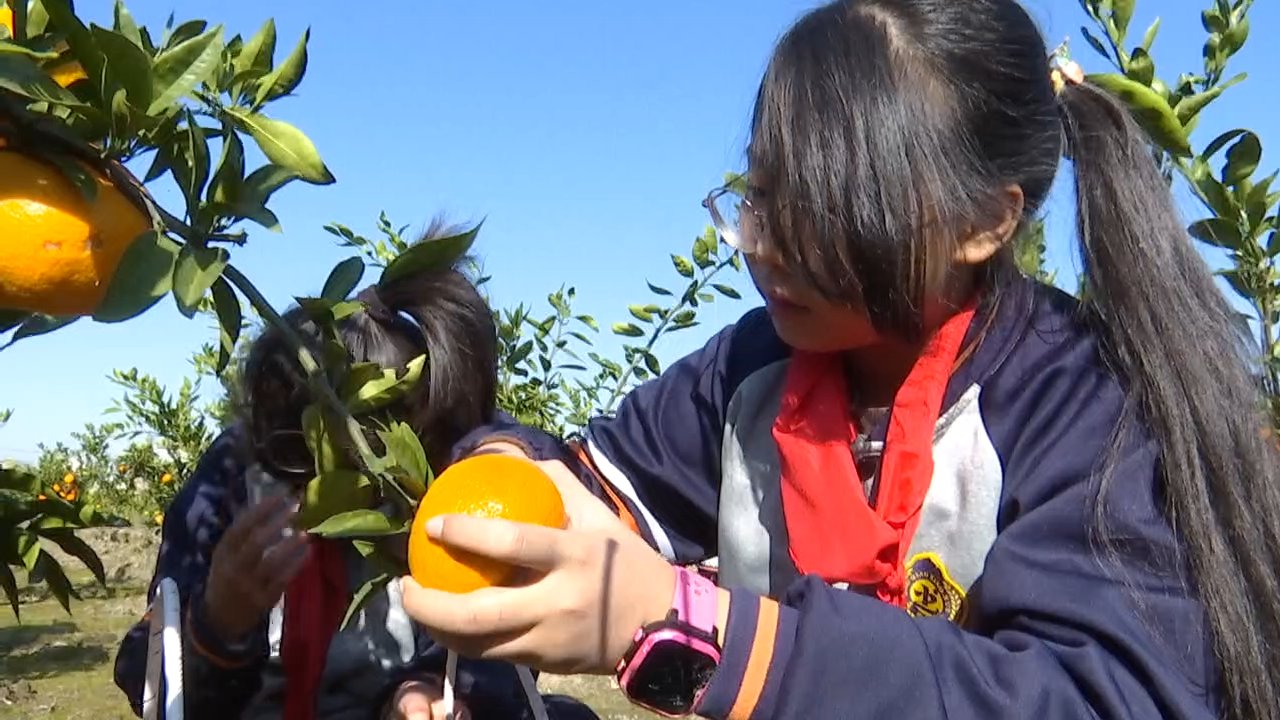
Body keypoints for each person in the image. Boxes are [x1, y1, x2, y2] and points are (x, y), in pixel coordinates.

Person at [396, 2, 1280, 719]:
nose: (763, 243)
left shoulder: (1087, 407)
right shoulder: (751, 372)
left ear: (985, 223)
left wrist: (689, 630)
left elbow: (1099, 697)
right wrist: (506, 476)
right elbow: (593, 486)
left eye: (825, 203)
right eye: (759, 194)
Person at [113, 224, 600, 720]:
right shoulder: (230, 484)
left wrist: (427, 687)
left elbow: (541, 469)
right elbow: (146, 675)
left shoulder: (455, 477)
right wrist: (216, 624)